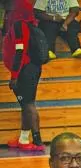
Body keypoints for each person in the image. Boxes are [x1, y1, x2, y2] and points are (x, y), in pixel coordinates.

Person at [3, 0, 45, 152]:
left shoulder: (20, 25)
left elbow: (20, 52)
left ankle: (38, 141)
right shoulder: (29, 24)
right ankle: (23, 138)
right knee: (25, 105)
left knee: (28, 105)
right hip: (30, 68)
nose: (9, 9)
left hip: (25, 70)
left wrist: (14, 76)